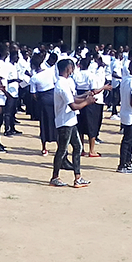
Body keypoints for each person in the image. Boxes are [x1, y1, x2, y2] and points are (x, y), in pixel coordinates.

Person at [50, 58, 95, 188]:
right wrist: (88, 102)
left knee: (78, 147)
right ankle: (55, 177)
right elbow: (73, 105)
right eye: (72, 68)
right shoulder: (61, 85)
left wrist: (85, 95)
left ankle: (78, 177)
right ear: (68, 69)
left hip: (70, 121)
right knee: (62, 150)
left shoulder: (65, 83)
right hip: (64, 122)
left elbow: (73, 98)